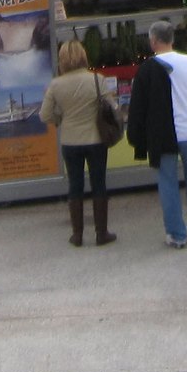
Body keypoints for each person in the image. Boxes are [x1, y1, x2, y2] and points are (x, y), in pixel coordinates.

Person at [129, 21, 187, 248]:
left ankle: (176, 234)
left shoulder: (146, 69)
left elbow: (138, 107)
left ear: (153, 41)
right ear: (172, 39)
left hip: (162, 135)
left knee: (167, 183)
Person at [41, 40, 120, 248]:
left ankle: (77, 235)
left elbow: (45, 115)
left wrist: (61, 119)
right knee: (98, 183)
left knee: (75, 185)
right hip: (96, 140)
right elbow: (111, 107)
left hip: (70, 141)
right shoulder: (96, 79)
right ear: (84, 56)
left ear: (62, 60)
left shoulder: (55, 85)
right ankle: (101, 233)